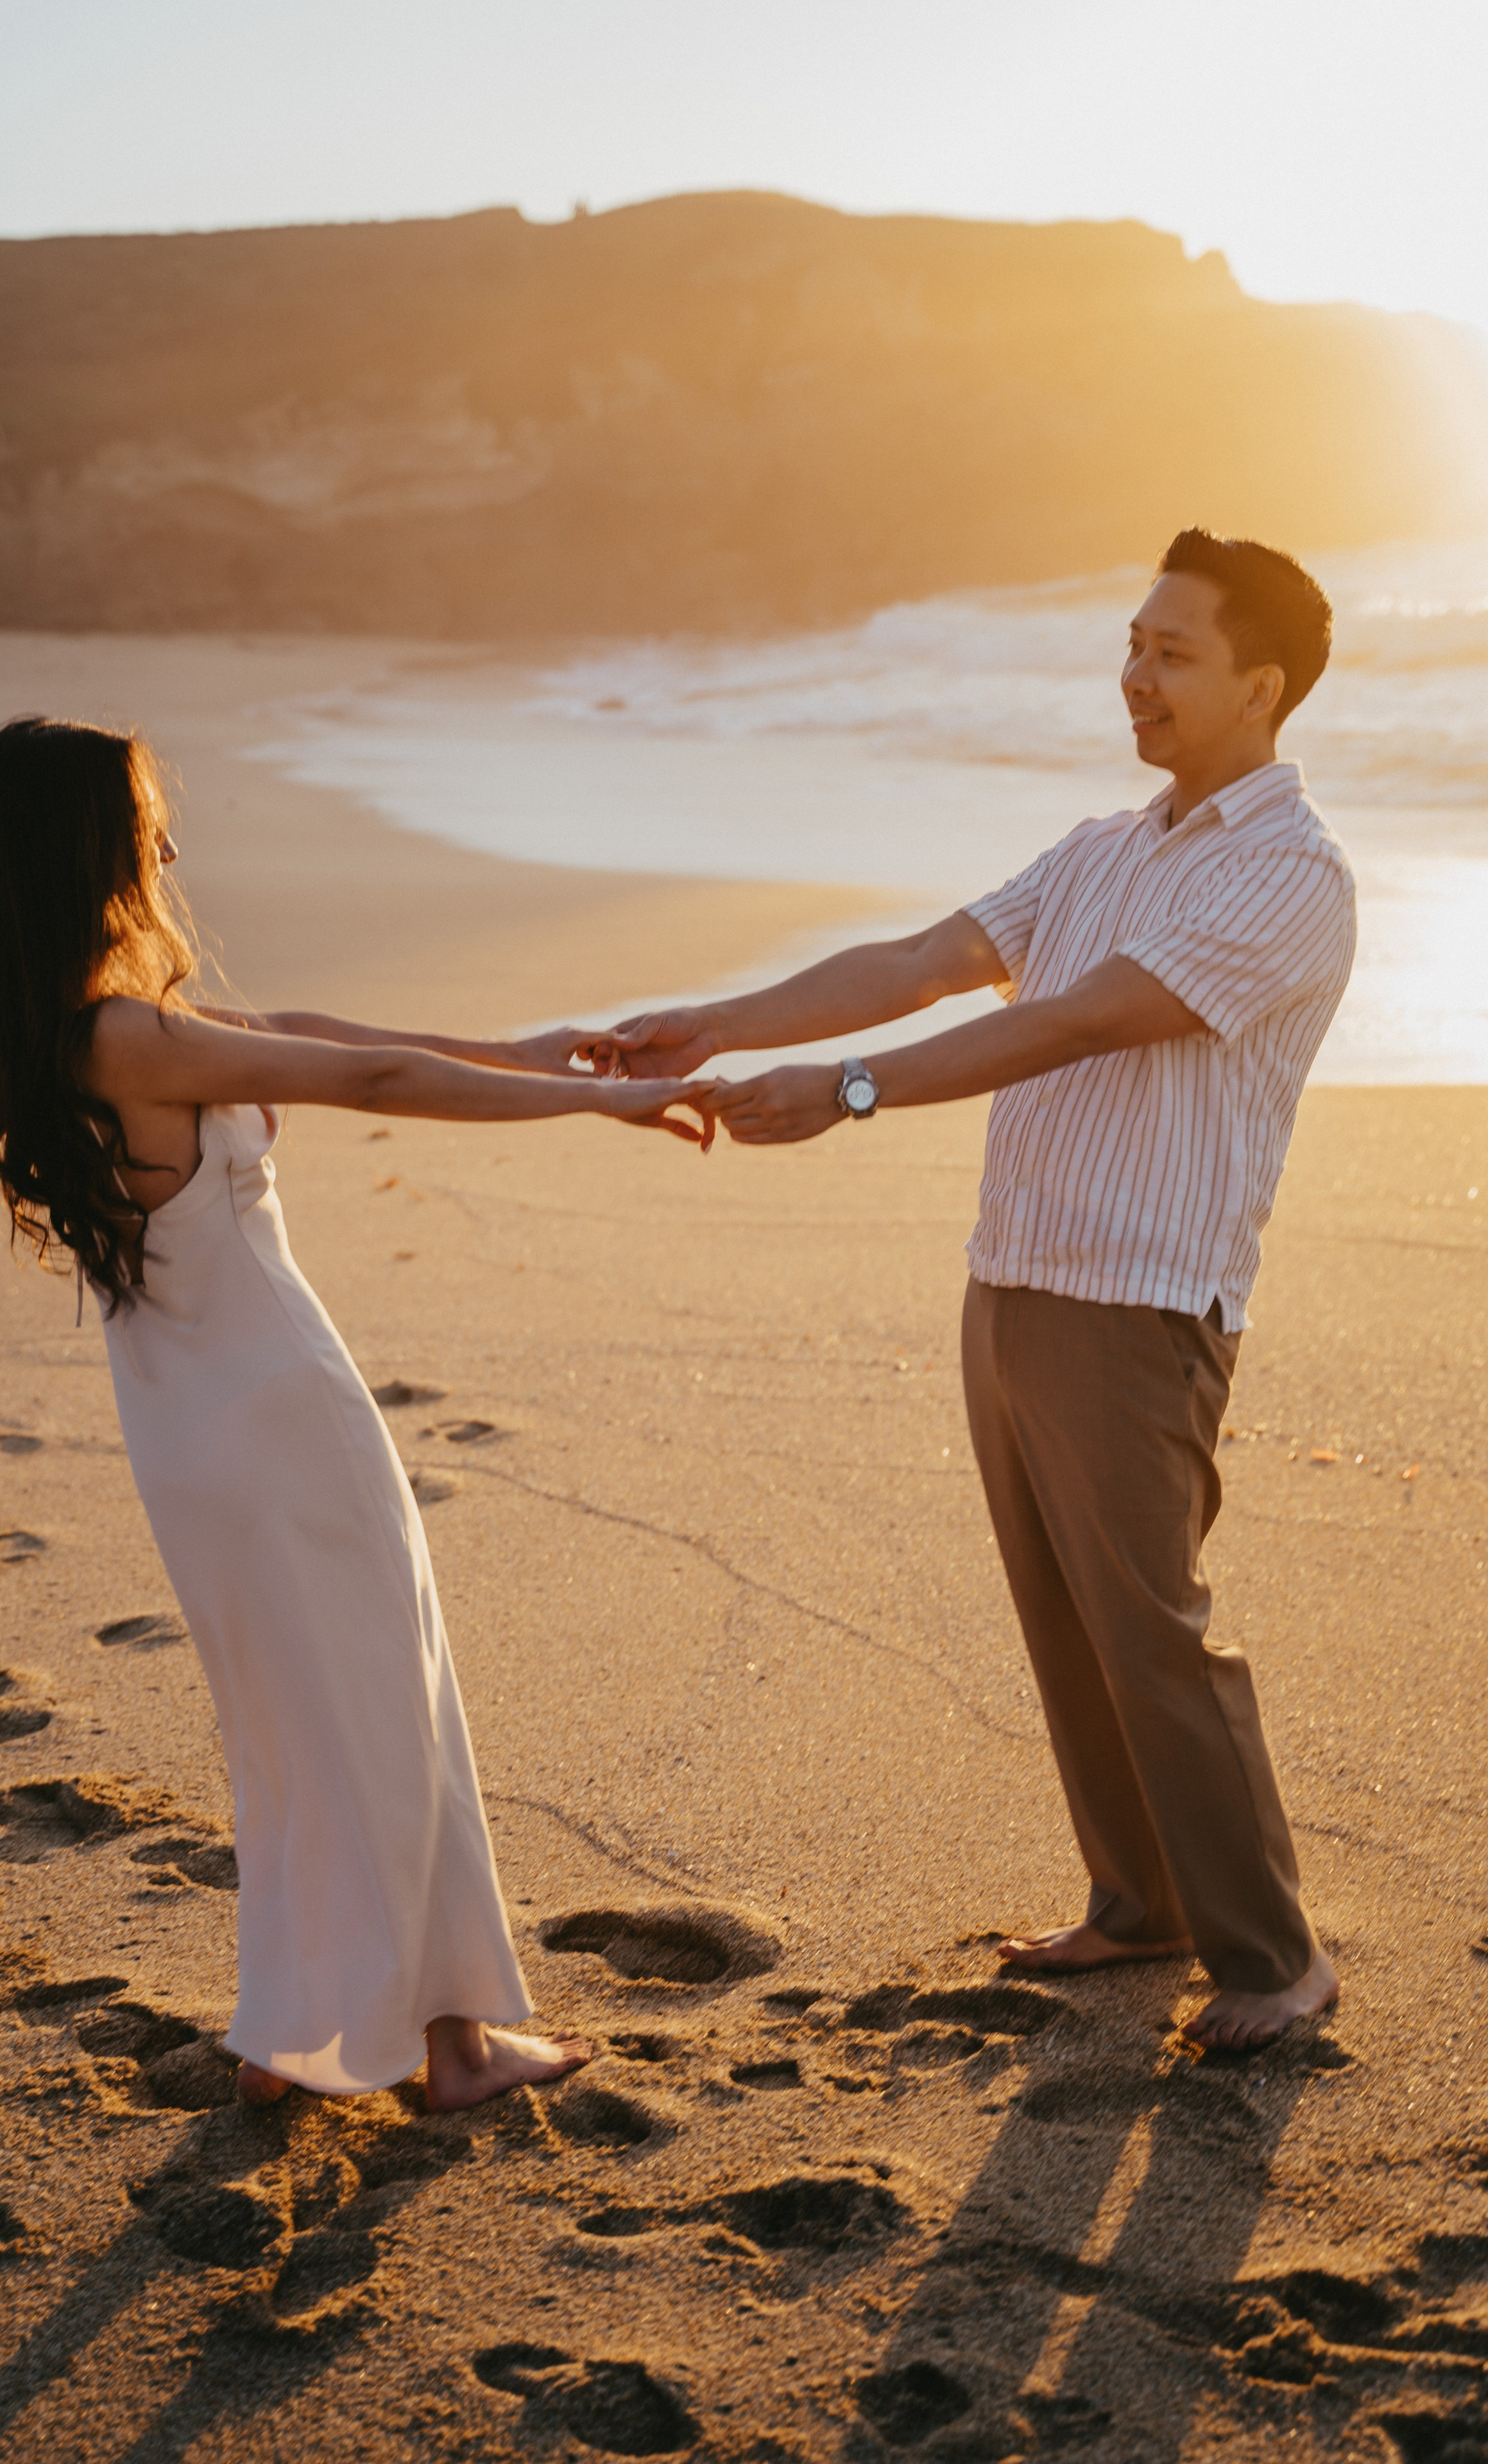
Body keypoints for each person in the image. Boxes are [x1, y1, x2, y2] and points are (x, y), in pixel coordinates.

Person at [596, 531, 1353, 2052]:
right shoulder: (1098, 846)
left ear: (1260, 685)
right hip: (1012, 1275)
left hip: (1136, 1301)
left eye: (1172, 653)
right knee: (1062, 1616)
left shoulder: (1291, 875)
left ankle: (1272, 1957)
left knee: (1151, 1627)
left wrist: (850, 1090)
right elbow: (931, 955)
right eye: (1131, 643)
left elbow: (1079, 1023)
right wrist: (714, 1023)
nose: (1133, 675)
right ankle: (1135, 1905)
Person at [0, 717, 711, 2107]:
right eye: (140, 824)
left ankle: (291, 2033)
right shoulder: (128, 1038)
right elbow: (361, 1082)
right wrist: (604, 1104)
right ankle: (453, 2047)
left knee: (296, 1723)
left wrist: (531, 1050)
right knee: (380, 1703)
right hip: (284, 1418)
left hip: (196, 1443)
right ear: (82, 854)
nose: (165, 846)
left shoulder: (87, 1035)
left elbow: (322, 1037)